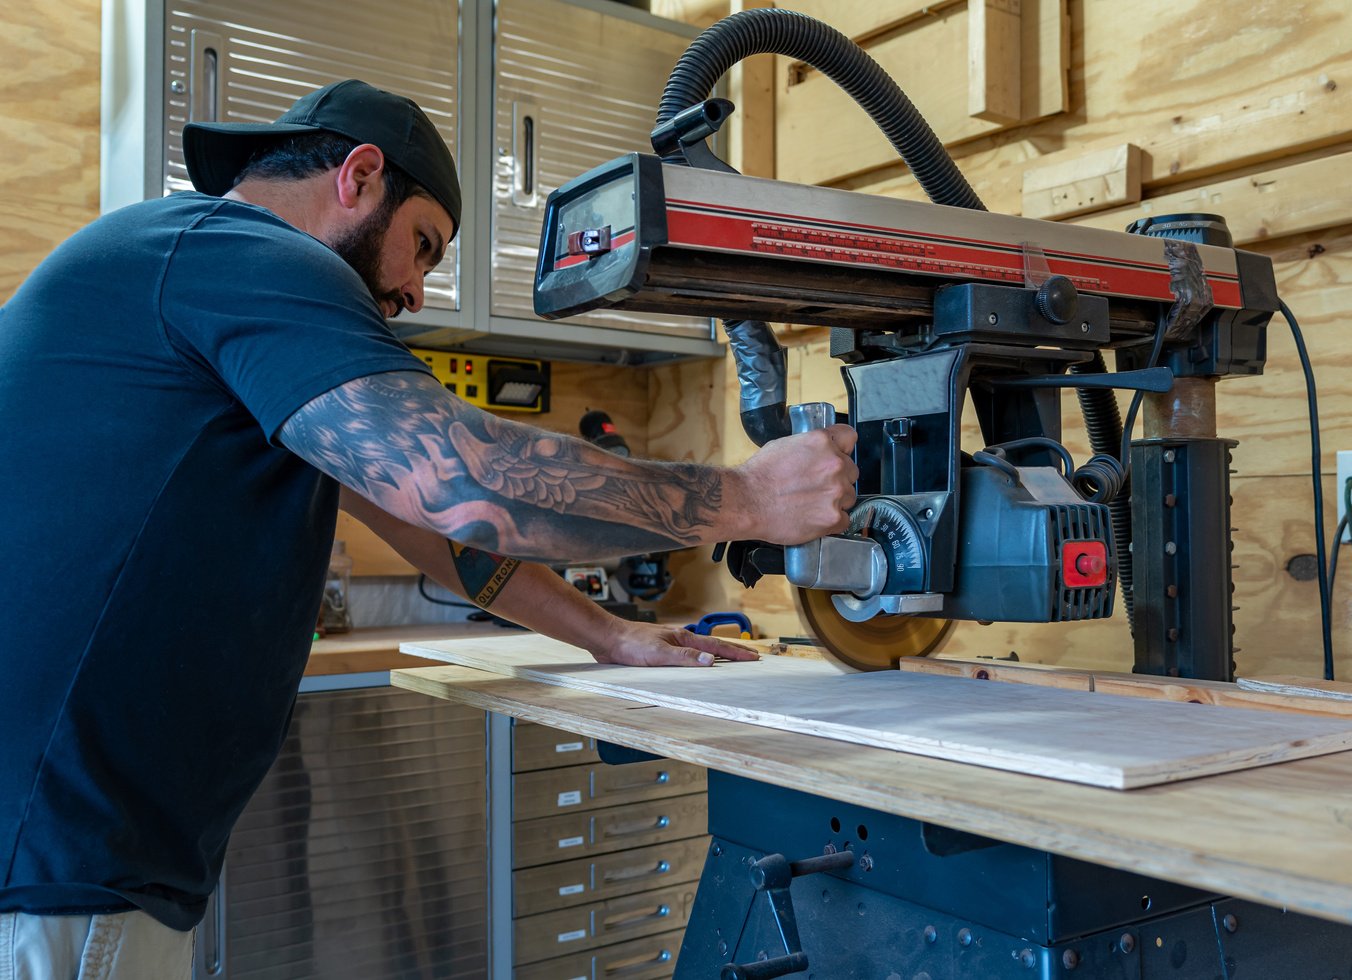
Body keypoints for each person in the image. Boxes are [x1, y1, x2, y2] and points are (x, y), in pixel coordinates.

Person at [0, 79, 857, 977]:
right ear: (359, 177)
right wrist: (748, 499)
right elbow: (459, 479)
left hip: (63, 844)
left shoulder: (180, 265)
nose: (412, 289)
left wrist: (609, 635)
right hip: (52, 862)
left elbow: (429, 522)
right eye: (422, 246)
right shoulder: (246, 255)